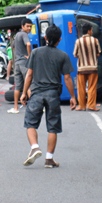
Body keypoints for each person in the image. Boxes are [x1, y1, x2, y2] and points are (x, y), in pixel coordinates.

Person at [20, 24, 76, 168]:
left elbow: (29, 74)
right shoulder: (62, 55)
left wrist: (24, 92)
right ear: (59, 39)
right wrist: (73, 96)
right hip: (53, 94)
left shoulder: (36, 52)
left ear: (45, 38)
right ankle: (49, 159)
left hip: (37, 92)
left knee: (31, 123)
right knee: (53, 127)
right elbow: (68, 78)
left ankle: (34, 147)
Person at [73, 23, 101, 111]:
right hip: (93, 68)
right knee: (92, 87)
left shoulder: (78, 41)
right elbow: (98, 53)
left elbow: (75, 54)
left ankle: (81, 105)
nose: (92, 31)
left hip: (81, 68)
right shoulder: (95, 40)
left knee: (81, 87)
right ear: (89, 30)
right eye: (91, 30)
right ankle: (91, 105)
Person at [9, 18, 33, 114]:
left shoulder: (17, 35)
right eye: (27, 26)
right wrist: (29, 55)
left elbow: (13, 46)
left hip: (17, 62)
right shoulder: (24, 34)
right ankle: (34, 106)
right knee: (29, 84)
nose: (29, 28)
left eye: (30, 27)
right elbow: (28, 44)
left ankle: (15, 108)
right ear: (22, 26)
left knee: (18, 86)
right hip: (24, 62)